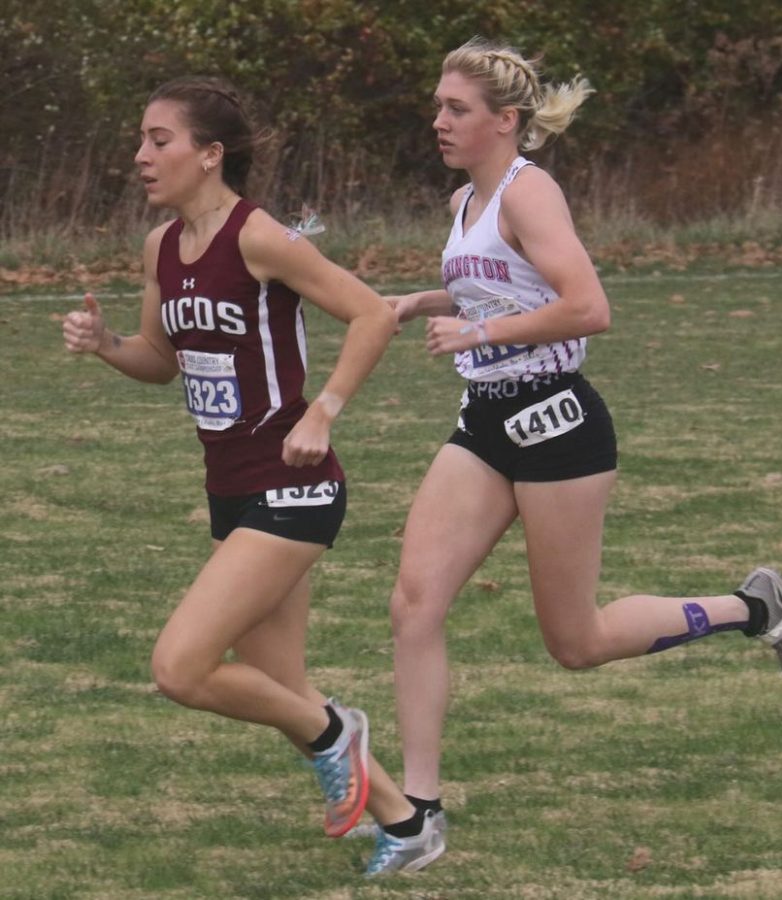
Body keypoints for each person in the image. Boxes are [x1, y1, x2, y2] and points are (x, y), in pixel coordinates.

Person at [377, 36, 782, 870]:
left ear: (505, 121)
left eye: (456, 108)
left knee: (575, 642)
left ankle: (750, 607)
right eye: (438, 105)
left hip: (558, 422)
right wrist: (417, 300)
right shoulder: (462, 202)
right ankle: (419, 812)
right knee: (413, 604)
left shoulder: (528, 192)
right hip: (485, 420)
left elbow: (587, 306)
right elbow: (501, 287)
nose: (438, 119)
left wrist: (477, 329)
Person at [61, 75, 439, 876]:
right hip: (232, 490)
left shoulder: (259, 235)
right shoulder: (161, 246)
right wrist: (104, 346)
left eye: (159, 140)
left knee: (182, 666)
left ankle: (341, 733)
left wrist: (323, 410)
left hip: (293, 486)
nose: (141, 155)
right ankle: (408, 825)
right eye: (141, 139)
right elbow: (161, 360)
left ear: (209, 154)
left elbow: (372, 312)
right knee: (281, 689)